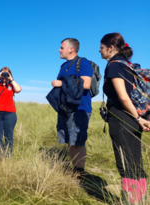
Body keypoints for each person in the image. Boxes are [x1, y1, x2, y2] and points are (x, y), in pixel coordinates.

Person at [100, 32, 150, 204]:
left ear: (111, 48)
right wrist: (139, 118)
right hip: (133, 119)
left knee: (126, 163)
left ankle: (130, 202)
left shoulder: (114, 65)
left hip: (123, 119)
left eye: (101, 48)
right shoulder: (127, 64)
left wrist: (137, 118)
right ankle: (140, 200)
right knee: (136, 161)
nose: (100, 51)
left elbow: (123, 97)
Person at [52, 38, 93, 175]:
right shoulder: (64, 65)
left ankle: (80, 172)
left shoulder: (83, 62)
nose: (59, 50)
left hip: (79, 108)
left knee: (78, 141)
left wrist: (61, 84)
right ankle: (75, 169)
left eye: (62, 47)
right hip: (65, 108)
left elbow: (86, 84)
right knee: (69, 139)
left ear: (71, 49)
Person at [0, 67, 22, 157]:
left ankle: (8, 155)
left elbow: (18, 89)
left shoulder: (11, 85)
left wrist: (11, 79)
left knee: (9, 136)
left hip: (10, 114)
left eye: (6, 74)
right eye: (3, 74)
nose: (4, 76)